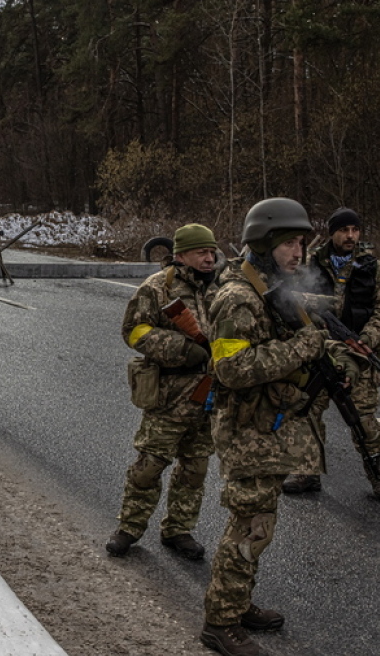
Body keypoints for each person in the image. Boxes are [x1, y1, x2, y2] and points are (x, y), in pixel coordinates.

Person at [199, 198, 359, 656]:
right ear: (265, 243)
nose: (299, 252)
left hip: (267, 428)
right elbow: (232, 369)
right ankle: (219, 623)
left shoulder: (270, 285)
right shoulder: (236, 297)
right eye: (290, 242)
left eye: (302, 243)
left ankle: (237, 602)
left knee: (258, 525)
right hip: (247, 433)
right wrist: (306, 347)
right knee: (250, 526)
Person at [106, 224, 220, 561]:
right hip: (169, 394)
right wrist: (181, 347)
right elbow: (134, 330)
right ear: (181, 254)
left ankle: (179, 530)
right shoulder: (158, 289)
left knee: (194, 468)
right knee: (149, 465)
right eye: (202, 252)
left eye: (212, 252)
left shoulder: (221, 289)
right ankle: (129, 527)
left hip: (208, 393)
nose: (209, 258)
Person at [282, 207, 380, 500]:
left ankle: (375, 473)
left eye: (355, 231)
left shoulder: (373, 268)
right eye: (344, 230)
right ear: (332, 232)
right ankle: (306, 472)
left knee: (362, 418)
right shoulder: (308, 264)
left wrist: (366, 340)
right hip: (318, 352)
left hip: (359, 353)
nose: (350, 236)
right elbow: (287, 301)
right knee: (305, 410)